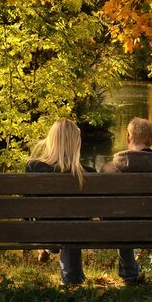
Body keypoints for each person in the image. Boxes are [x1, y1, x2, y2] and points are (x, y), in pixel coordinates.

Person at [101, 117, 152, 285]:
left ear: (128, 137)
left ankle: (129, 274)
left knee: (121, 220)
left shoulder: (108, 170)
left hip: (116, 231)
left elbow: (102, 211)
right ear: (151, 140)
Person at [25, 118, 95, 285]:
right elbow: (92, 210)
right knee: (74, 224)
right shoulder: (89, 173)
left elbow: (27, 206)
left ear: (52, 140)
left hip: (44, 228)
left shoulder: (33, 167)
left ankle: (48, 247)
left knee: (59, 222)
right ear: (76, 143)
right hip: (77, 232)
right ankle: (72, 280)